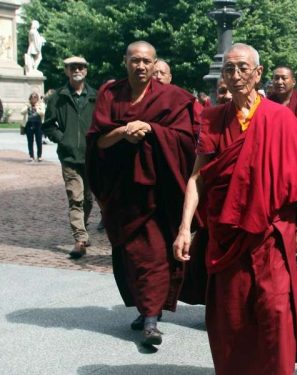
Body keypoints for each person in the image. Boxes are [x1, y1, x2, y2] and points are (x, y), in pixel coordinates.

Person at [172, 43, 297, 375]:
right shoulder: (212, 119)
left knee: (274, 310)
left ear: (258, 74)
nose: (236, 75)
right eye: (229, 69)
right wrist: (185, 228)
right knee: (232, 314)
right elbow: (197, 177)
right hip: (227, 235)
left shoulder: (280, 118)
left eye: (243, 68)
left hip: (272, 233)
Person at [86, 41, 198, 346]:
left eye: (147, 61)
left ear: (155, 63)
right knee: (132, 256)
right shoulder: (110, 94)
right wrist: (124, 132)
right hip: (123, 194)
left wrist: (150, 129)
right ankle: (147, 309)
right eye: (135, 60)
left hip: (160, 193)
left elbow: (188, 141)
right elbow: (98, 143)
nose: (141, 66)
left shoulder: (173, 98)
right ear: (125, 62)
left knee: (155, 255)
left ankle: (150, 319)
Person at [41, 56, 97, 259]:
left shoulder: (95, 96)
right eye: (72, 67)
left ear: (86, 70)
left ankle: (83, 227)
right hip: (69, 157)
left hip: (91, 157)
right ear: (66, 71)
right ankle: (80, 239)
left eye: (81, 66)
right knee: (76, 198)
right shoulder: (59, 96)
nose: (77, 70)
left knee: (89, 199)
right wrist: (63, 139)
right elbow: (48, 124)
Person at [268, 66, 297, 133]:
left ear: (293, 82)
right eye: (276, 78)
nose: (279, 82)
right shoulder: (267, 102)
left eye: (284, 78)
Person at [21, 92, 45, 162]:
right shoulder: (27, 105)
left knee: (39, 141)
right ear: (30, 98)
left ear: (37, 98)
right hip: (29, 124)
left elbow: (43, 113)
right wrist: (28, 107)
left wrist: (36, 108)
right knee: (30, 141)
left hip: (38, 124)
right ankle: (31, 156)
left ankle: (39, 156)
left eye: (35, 97)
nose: (33, 99)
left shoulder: (41, 104)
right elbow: (21, 112)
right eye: (32, 97)